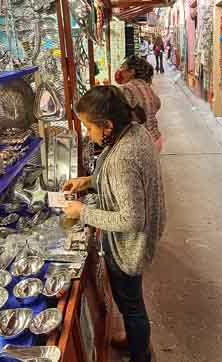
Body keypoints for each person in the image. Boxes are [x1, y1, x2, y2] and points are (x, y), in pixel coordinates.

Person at [62, 86, 166, 362]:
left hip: (130, 245)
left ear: (107, 126)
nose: (87, 133)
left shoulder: (123, 156)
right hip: (138, 240)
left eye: (88, 127)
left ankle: (140, 353)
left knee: (131, 304)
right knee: (130, 299)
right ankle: (135, 338)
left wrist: (82, 212)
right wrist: (91, 182)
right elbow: (128, 184)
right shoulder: (133, 131)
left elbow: (131, 218)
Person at [115, 55, 163, 153]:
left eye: (122, 69)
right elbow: (157, 103)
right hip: (156, 138)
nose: (120, 72)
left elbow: (118, 115)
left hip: (140, 143)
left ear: (131, 72)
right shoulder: (146, 85)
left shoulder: (126, 89)